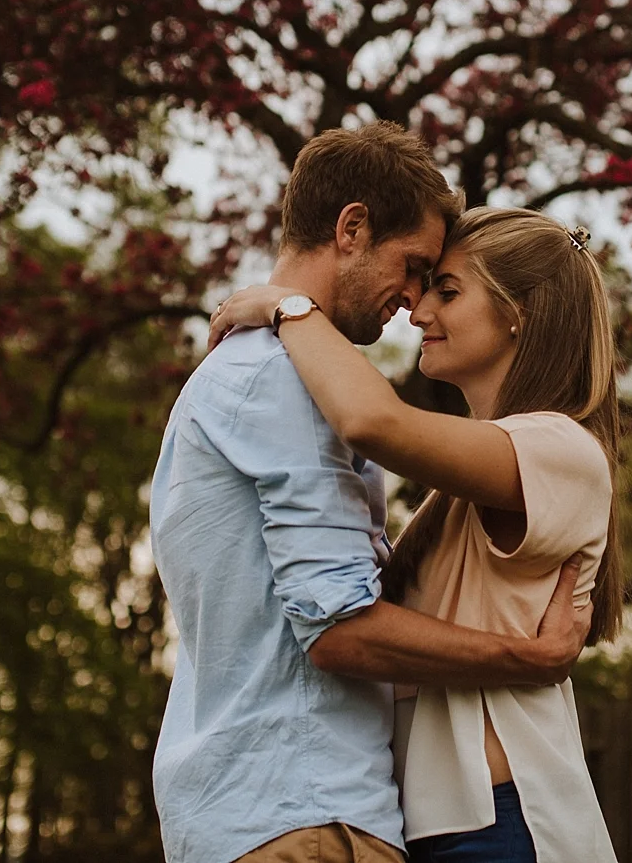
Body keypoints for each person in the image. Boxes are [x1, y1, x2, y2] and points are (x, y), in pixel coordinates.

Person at [150, 124, 593, 863]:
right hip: (307, 811)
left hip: (258, 808)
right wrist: (527, 657)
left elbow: (378, 431)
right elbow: (339, 627)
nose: (415, 302)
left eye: (441, 286)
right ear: (351, 228)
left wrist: (286, 308)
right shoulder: (286, 381)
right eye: (416, 268)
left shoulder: (236, 376)